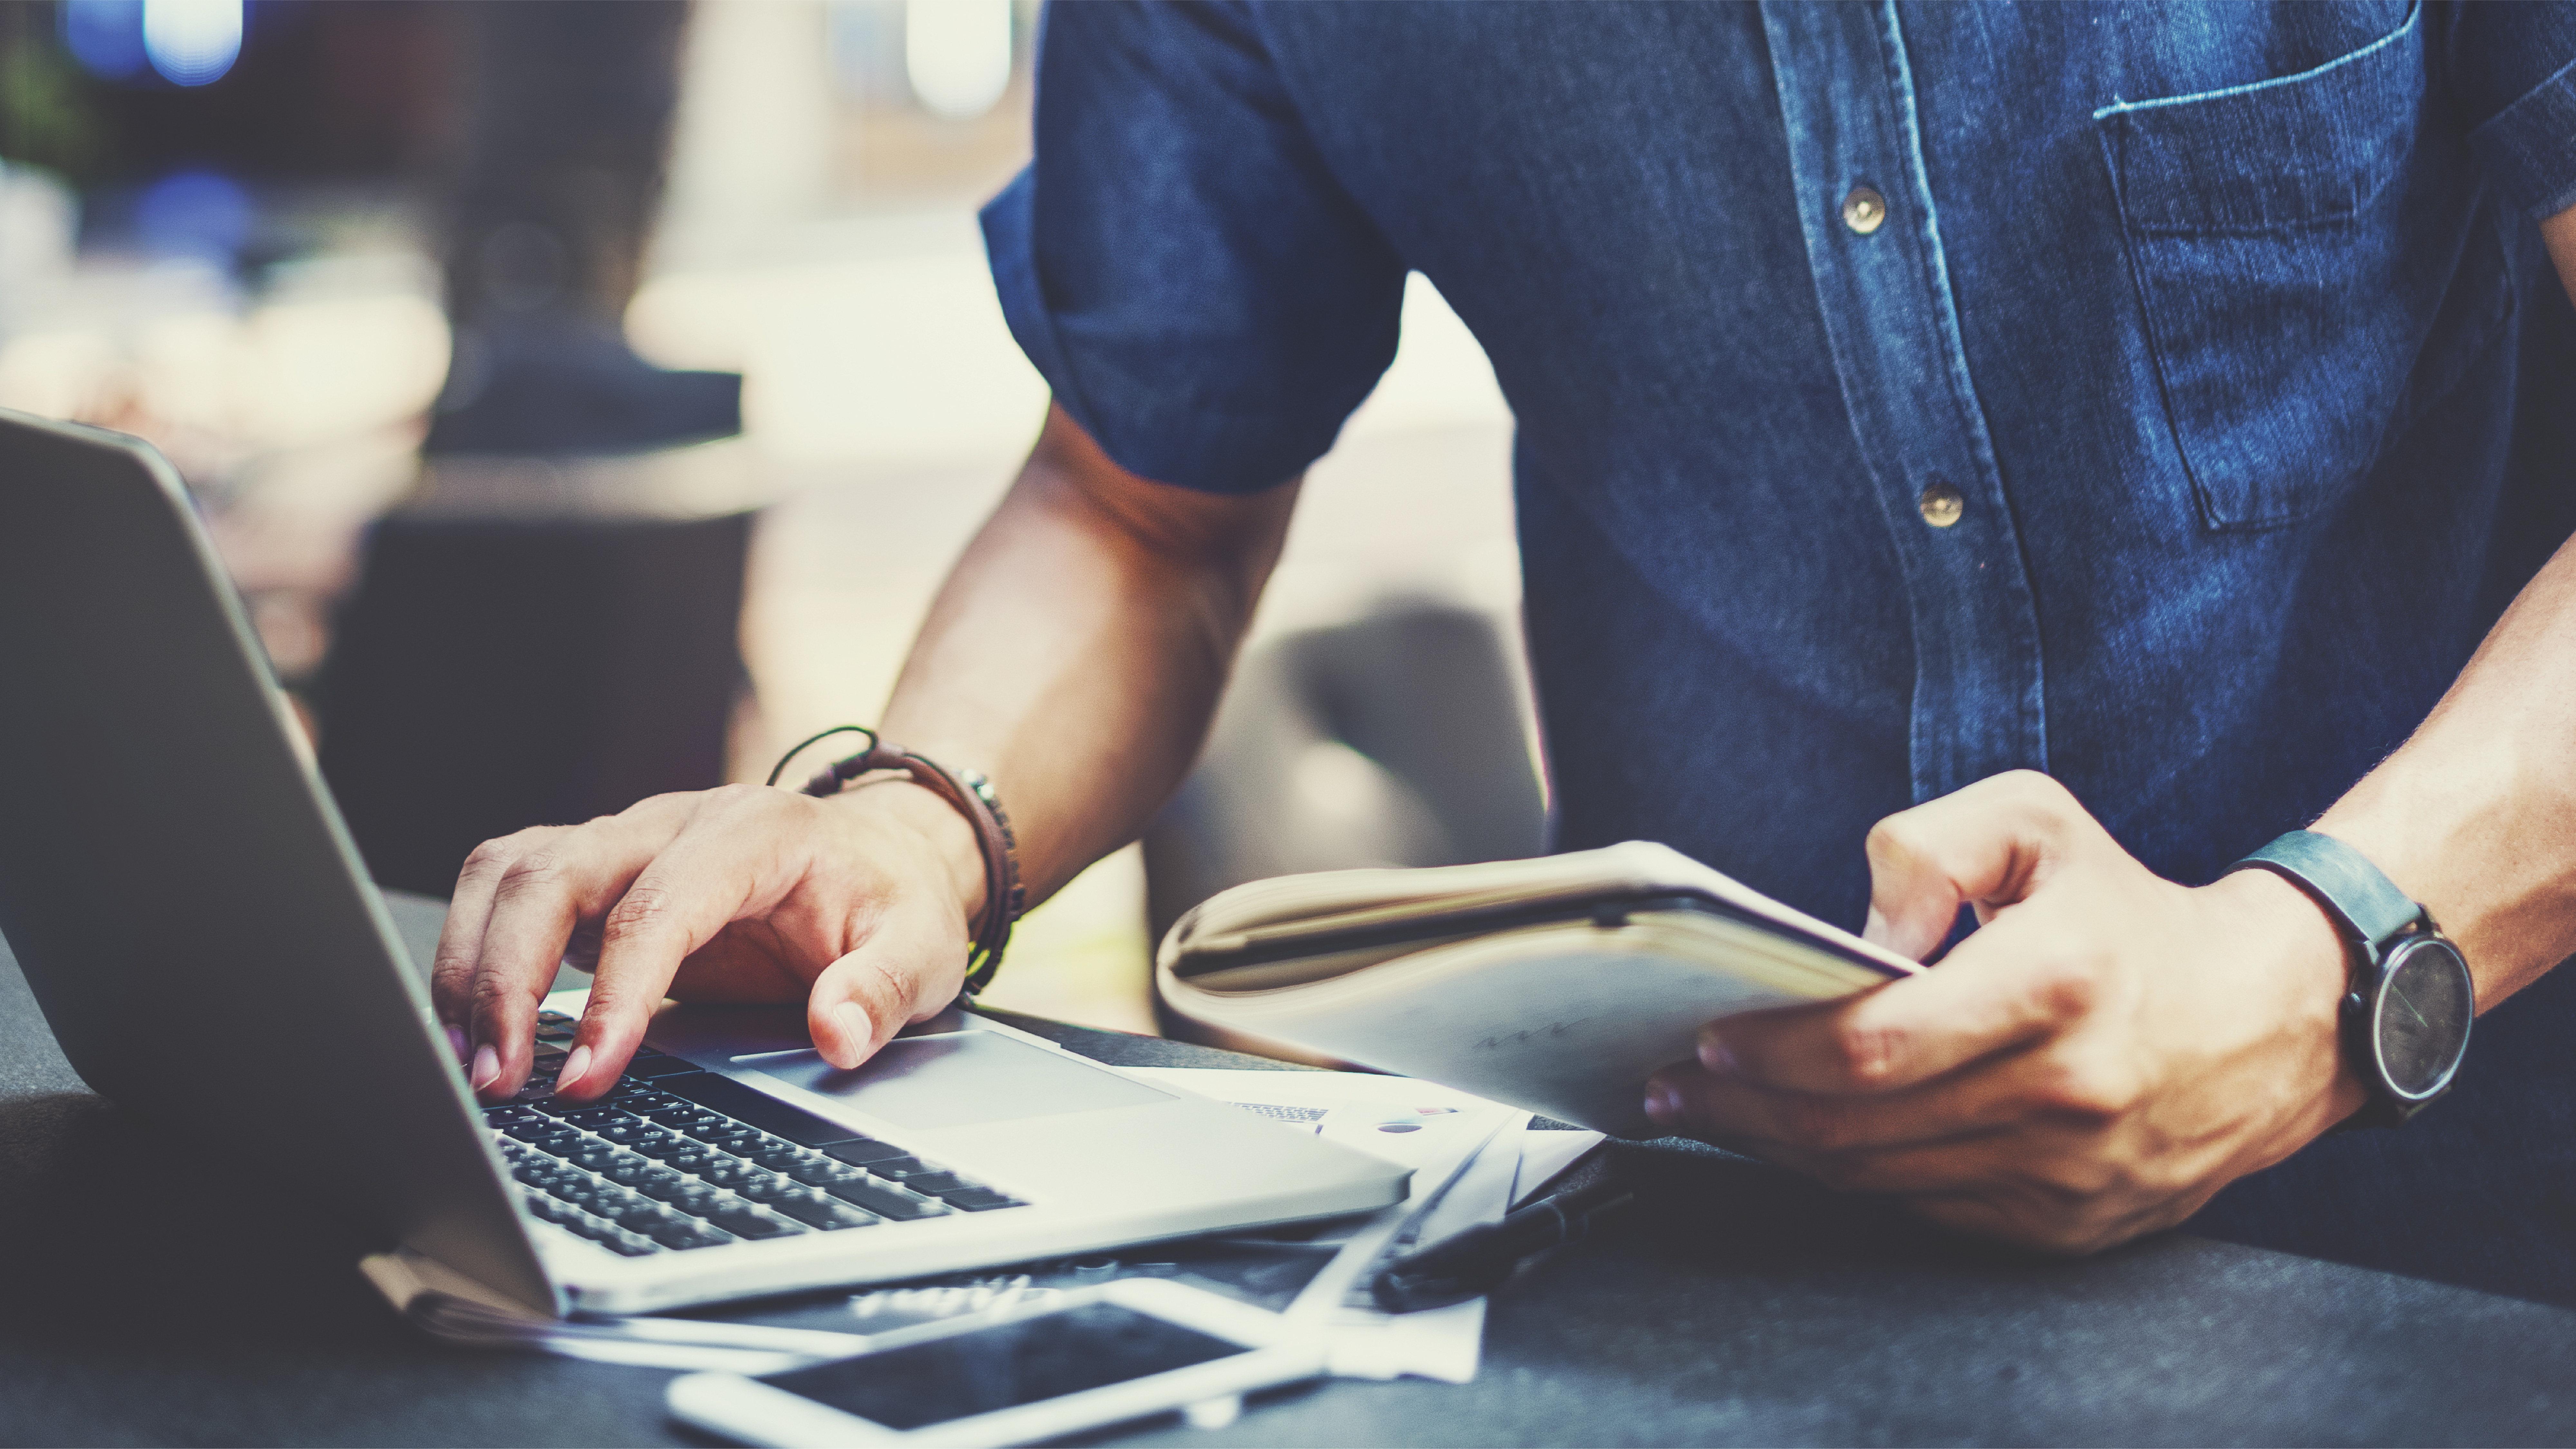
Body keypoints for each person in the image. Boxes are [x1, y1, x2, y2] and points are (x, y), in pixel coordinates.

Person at [428, 2, 2576, 1304]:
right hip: (1715, 1277)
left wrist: (2322, 966)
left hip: (2469, 1261)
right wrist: (913, 821)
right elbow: (1139, 501)